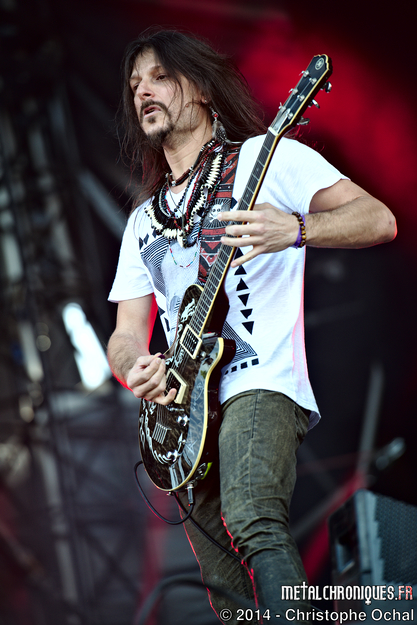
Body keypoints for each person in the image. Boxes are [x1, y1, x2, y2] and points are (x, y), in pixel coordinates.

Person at [107, 28, 396, 624]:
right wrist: (135, 366)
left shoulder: (268, 159)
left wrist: (296, 229)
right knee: (222, 581)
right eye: (135, 85)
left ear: (202, 88)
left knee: (253, 517)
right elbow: (127, 331)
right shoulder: (142, 222)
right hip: (185, 409)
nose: (143, 92)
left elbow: (379, 218)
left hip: (260, 377)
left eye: (160, 77)